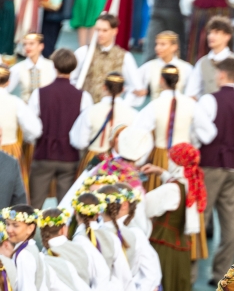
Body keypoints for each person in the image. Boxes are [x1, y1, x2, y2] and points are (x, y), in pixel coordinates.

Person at [143, 143, 207, 291]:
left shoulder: (171, 189)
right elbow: (175, 189)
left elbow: (146, 206)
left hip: (164, 248)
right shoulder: (191, 182)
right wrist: (161, 173)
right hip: (180, 250)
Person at [193, 57, 234, 284]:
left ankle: (190, 271)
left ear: (222, 74)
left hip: (210, 164)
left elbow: (202, 133)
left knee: (199, 217)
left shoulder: (209, 100)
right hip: (233, 166)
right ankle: (222, 273)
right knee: (229, 222)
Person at [28, 49, 92, 211]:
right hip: (69, 156)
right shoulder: (83, 96)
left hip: (43, 154)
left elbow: (32, 127)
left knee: (34, 205)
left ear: (54, 66)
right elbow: (85, 127)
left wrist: (36, 141)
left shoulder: (39, 93)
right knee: (65, 208)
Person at [134, 65, 198, 190]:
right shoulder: (192, 104)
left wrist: (141, 160)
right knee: (182, 191)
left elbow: (140, 133)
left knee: (158, 191)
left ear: (161, 80)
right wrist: (192, 143)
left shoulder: (153, 106)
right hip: (184, 156)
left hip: (161, 156)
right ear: (177, 81)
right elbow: (207, 133)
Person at [70, 72, 137, 174]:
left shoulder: (90, 111)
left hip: (94, 160)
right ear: (123, 89)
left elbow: (79, 142)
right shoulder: (133, 114)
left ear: (104, 87)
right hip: (119, 164)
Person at [71, 13, 144, 106]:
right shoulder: (83, 52)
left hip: (111, 109)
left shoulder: (124, 56)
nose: (100, 34)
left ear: (114, 31)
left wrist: (122, 105)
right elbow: (71, 79)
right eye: (98, 30)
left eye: (105, 30)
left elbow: (137, 88)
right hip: (85, 108)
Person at [0, 65, 42, 195]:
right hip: (10, 150)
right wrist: (26, 138)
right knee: (12, 193)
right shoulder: (15, 102)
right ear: (8, 82)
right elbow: (35, 130)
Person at [185, 15, 234, 100]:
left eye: (216, 33)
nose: (211, 36)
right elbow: (191, 91)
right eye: (210, 33)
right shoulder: (202, 62)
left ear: (227, 36)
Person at [137, 31, 193, 102]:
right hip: (155, 107)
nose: (157, 48)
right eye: (157, 44)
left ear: (174, 47)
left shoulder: (186, 68)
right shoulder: (150, 66)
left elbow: (193, 92)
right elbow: (134, 83)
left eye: (162, 44)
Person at [8, 32, 56, 104]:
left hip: (47, 107)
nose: (27, 47)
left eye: (31, 44)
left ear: (41, 46)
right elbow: (4, 89)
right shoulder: (18, 68)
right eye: (25, 44)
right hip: (26, 108)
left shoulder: (52, 66)